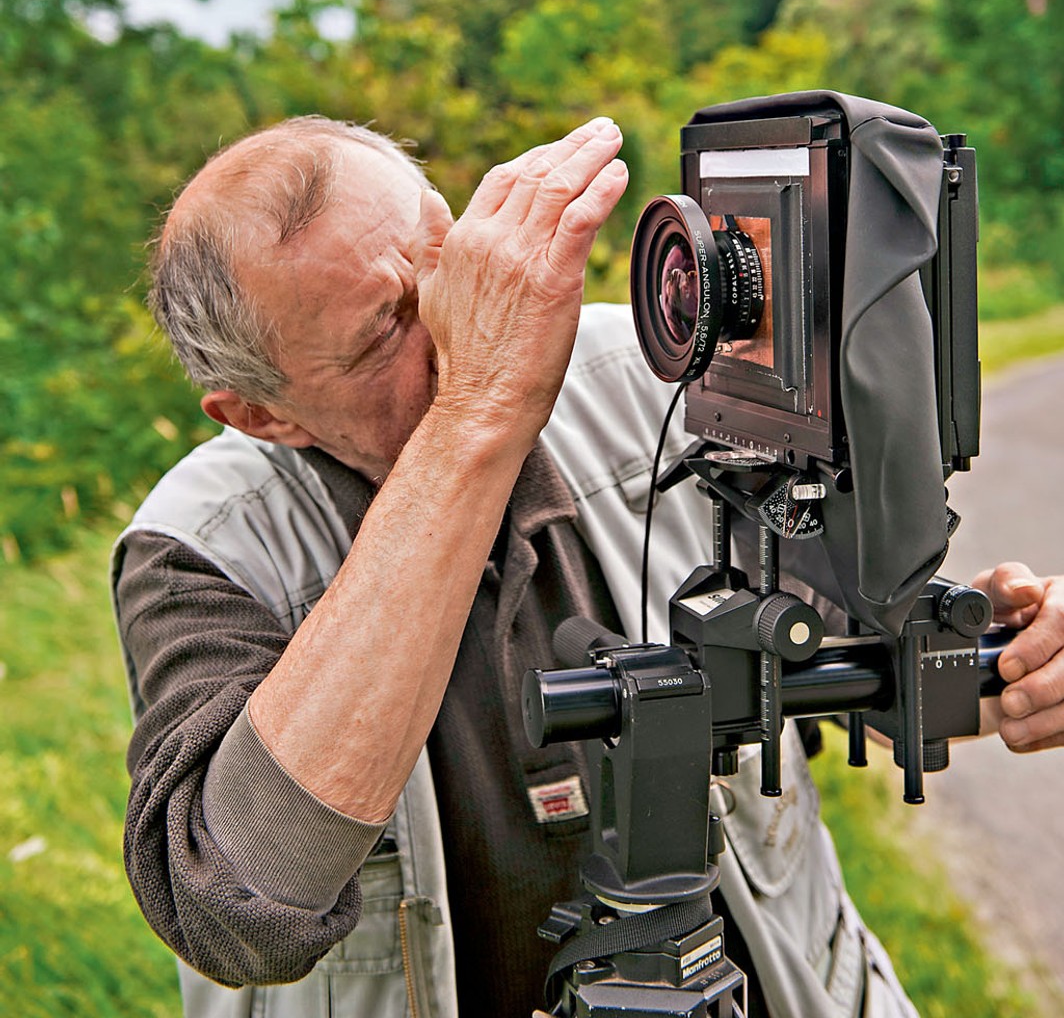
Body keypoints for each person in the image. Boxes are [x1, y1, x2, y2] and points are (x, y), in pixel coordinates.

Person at [112, 114, 1064, 1018]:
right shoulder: (204, 546)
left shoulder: (646, 370)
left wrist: (989, 660)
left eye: (449, 261)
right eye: (384, 332)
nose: (457, 322)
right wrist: (478, 419)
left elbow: (829, 640)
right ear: (262, 414)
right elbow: (233, 901)